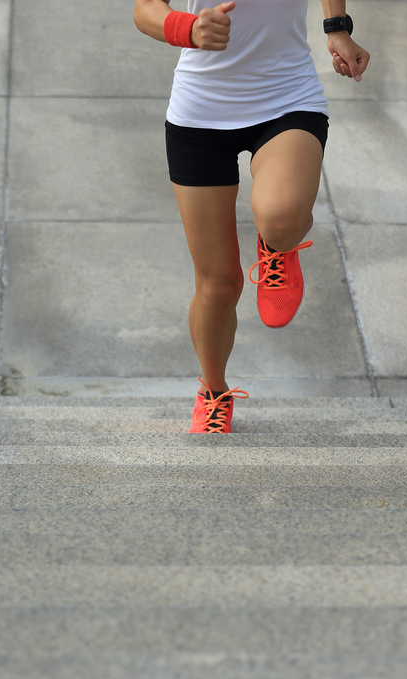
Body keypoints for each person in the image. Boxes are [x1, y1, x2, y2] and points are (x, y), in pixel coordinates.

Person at [133, 0, 370, 432]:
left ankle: (279, 243)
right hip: (199, 114)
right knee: (219, 283)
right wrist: (187, 29)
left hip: (286, 99)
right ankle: (213, 392)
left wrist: (336, 28)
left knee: (280, 217)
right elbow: (144, 9)